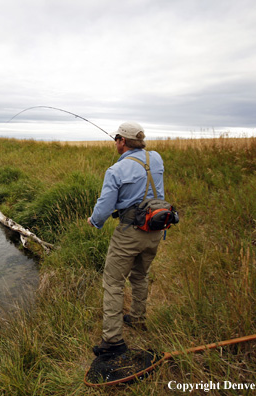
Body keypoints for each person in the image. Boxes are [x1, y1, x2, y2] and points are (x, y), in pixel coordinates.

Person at [87, 121, 165, 356]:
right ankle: (138, 319)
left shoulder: (116, 170)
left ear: (122, 141)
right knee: (140, 275)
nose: (115, 143)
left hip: (130, 231)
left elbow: (104, 206)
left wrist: (95, 221)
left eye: (116, 139)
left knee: (113, 282)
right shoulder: (157, 159)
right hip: (156, 228)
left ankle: (112, 341)